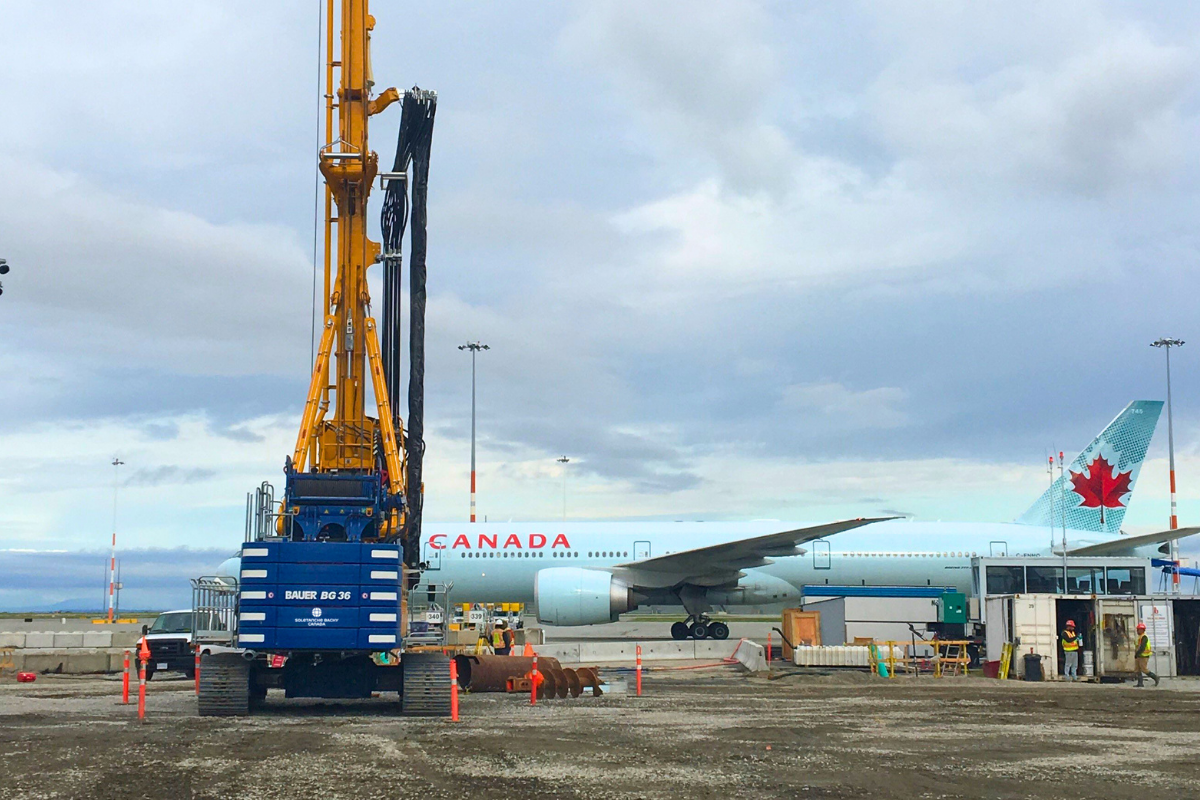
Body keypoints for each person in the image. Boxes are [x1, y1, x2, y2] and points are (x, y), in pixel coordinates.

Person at [1134, 621, 1159, 687]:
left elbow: (1142, 647)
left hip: (1144, 656)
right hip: (1139, 655)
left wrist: (1137, 653)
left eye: (1138, 629)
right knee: (1137, 669)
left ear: (1142, 630)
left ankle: (1155, 678)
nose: (1137, 631)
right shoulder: (1140, 637)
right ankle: (1140, 683)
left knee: (1144, 669)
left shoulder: (1144, 637)